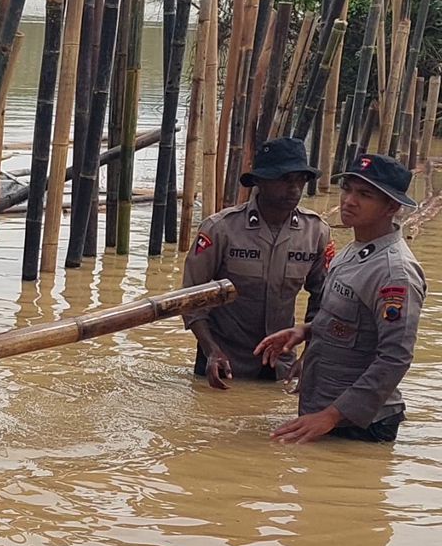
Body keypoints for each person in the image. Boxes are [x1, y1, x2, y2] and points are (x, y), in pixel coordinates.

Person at [257, 153, 427, 443]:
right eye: (347, 189)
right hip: (324, 408)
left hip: (360, 424)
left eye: (364, 194)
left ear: (392, 206)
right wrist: (305, 331)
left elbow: (395, 358)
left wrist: (332, 416)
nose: (349, 200)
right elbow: (353, 323)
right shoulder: (352, 251)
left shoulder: (394, 273)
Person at [181, 137, 332, 389]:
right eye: (285, 179)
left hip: (282, 365)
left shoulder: (316, 232)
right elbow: (191, 299)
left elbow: (324, 300)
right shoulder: (220, 229)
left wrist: (309, 356)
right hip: (224, 361)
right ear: (260, 181)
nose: (294, 188)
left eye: (300, 180)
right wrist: (211, 350)